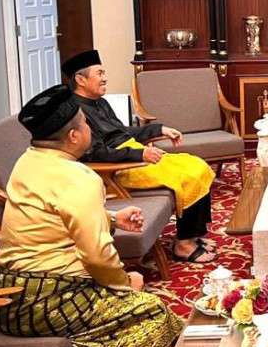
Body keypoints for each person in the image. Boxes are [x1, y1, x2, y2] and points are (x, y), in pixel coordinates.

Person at [0, 84, 184, 347]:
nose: (89, 128)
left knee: (128, 292)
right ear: (73, 136)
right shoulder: (79, 177)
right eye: (85, 123)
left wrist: (110, 218)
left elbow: (52, 214)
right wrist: (123, 285)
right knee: (151, 313)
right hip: (44, 301)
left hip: (10, 294)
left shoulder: (28, 161)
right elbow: (97, 255)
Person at [63, 49, 217, 264]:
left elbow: (123, 132)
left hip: (134, 155)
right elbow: (95, 153)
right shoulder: (76, 112)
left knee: (197, 164)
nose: (105, 78)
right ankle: (184, 245)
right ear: (81, 80)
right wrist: (140, 154)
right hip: (122, 167)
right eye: (99, 73)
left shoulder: (100, 102)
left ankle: (194, 234)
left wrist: (159, 129)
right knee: (189, 176)